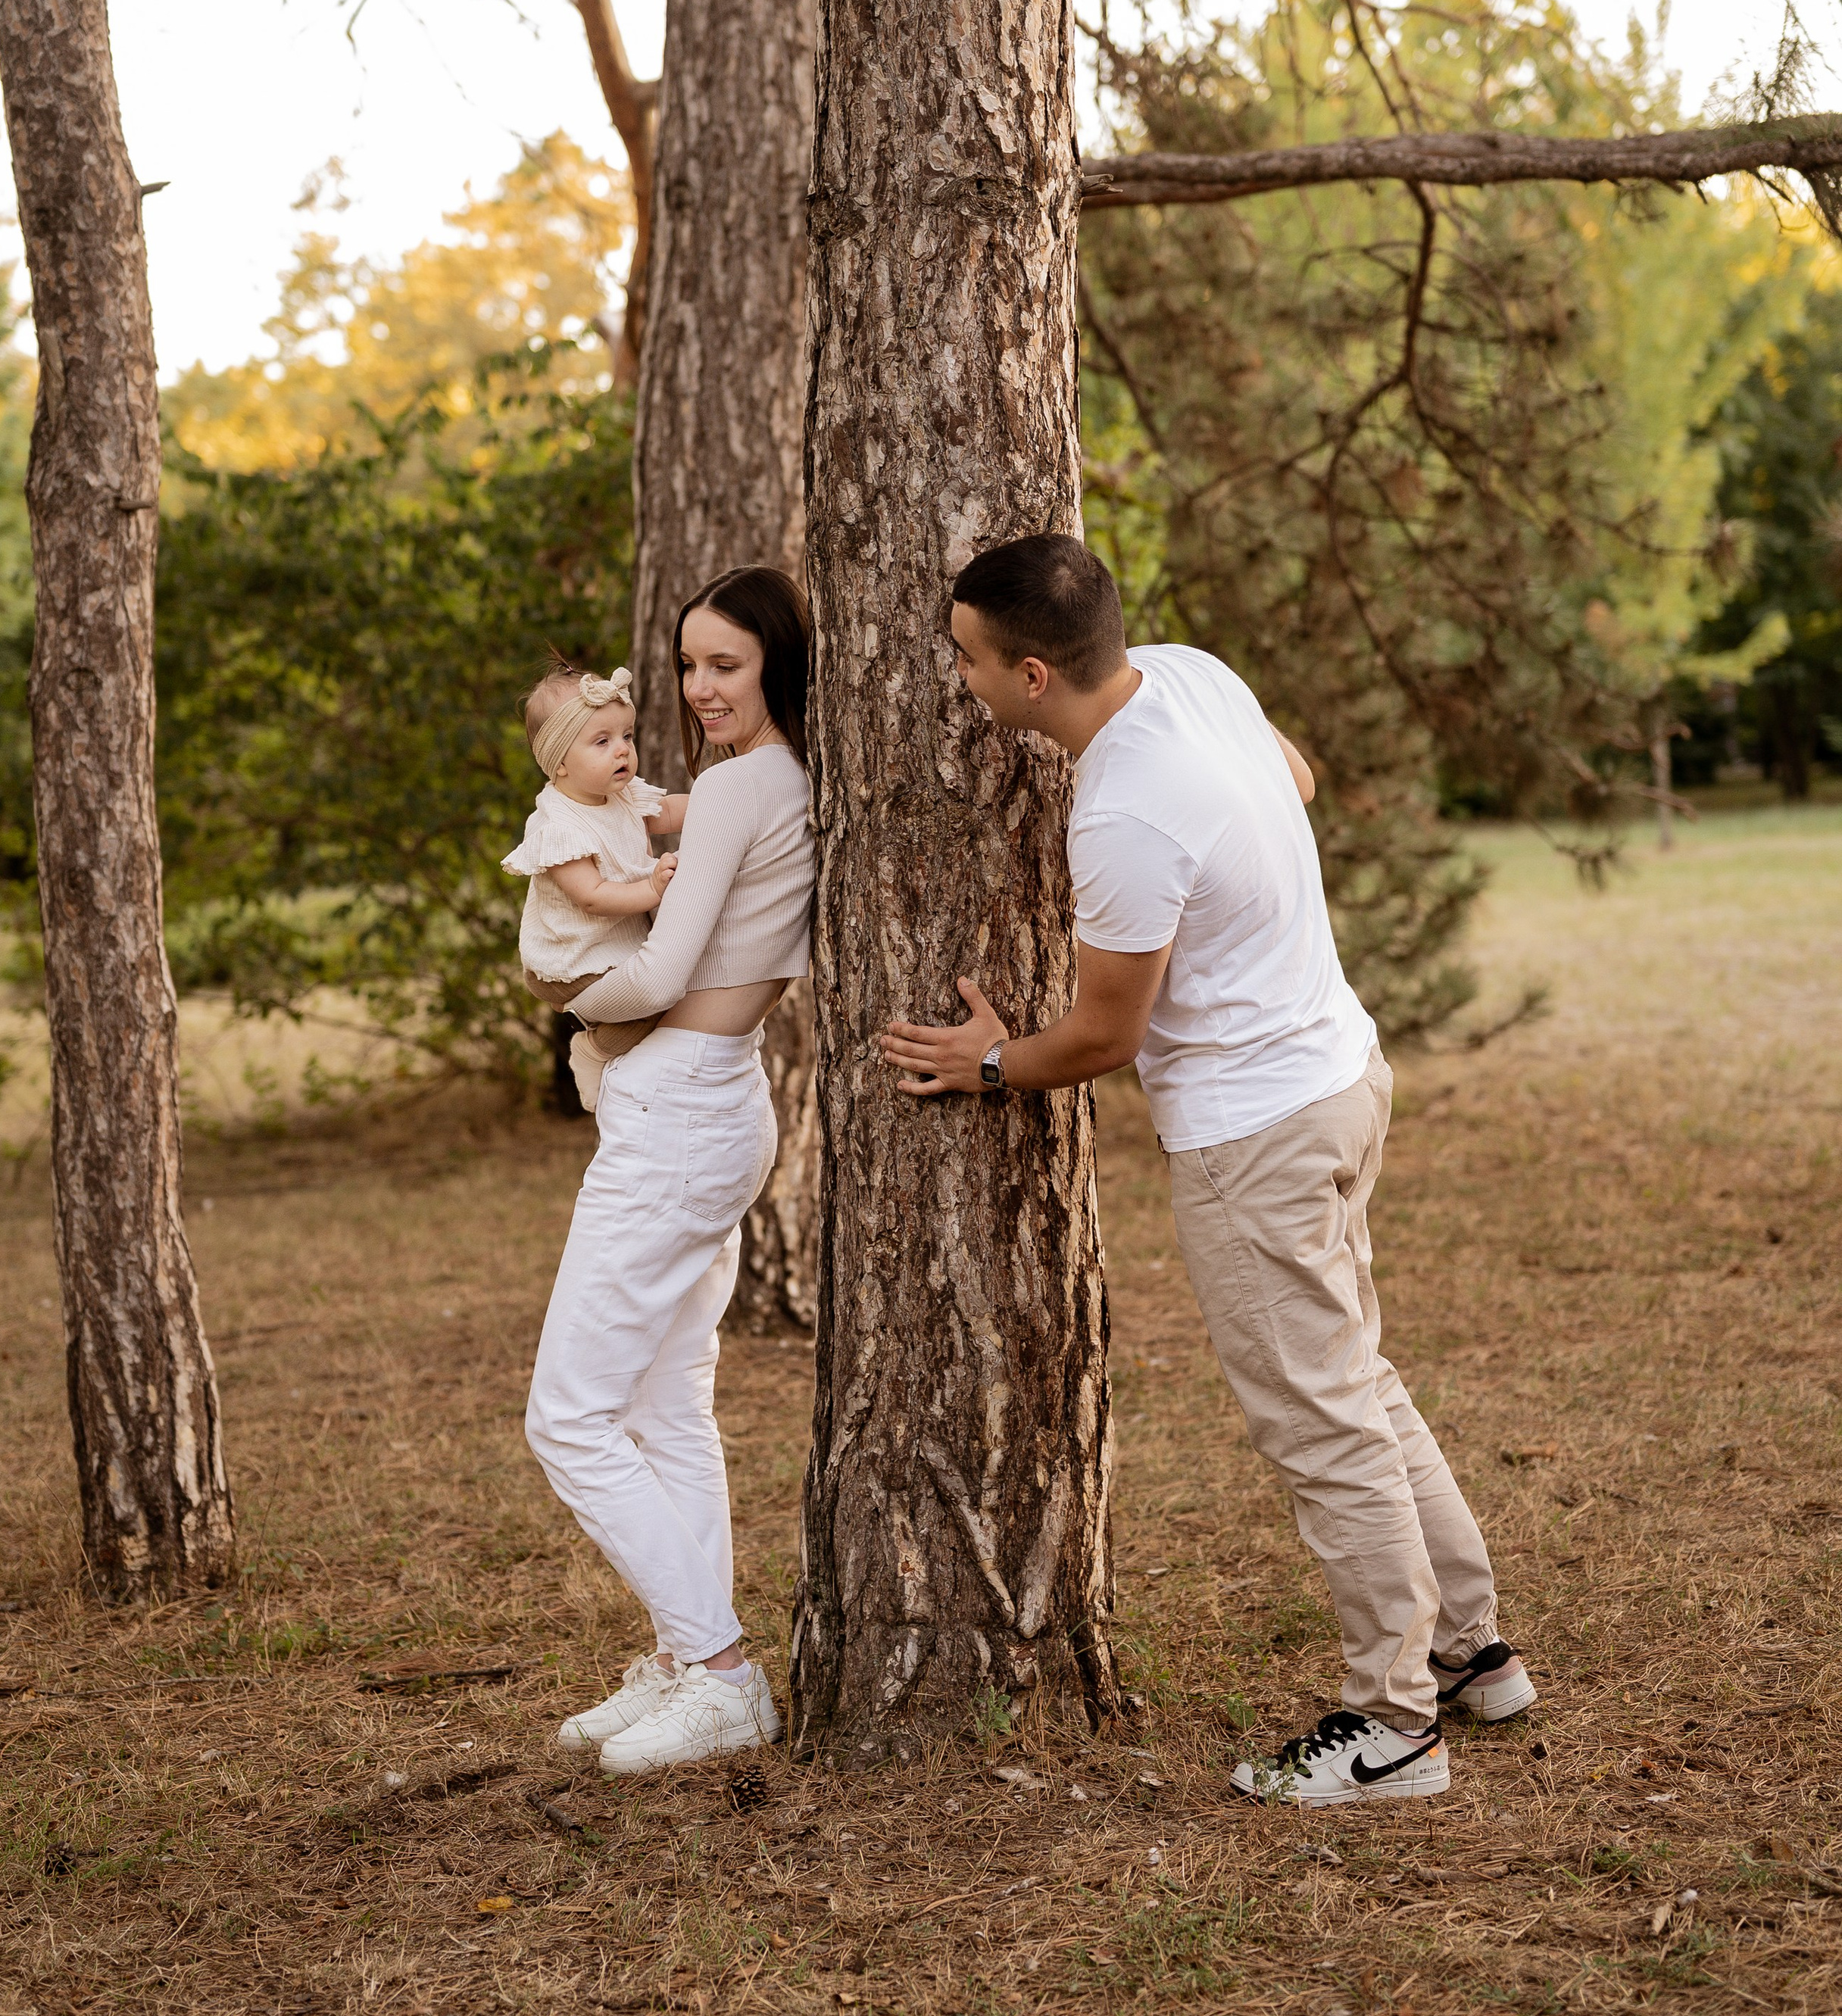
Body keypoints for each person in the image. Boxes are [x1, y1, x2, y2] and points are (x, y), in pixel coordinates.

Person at [882, 532, 1534, 1807]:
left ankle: (1396, 1729)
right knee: (1358, 1383)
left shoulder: (1123, 811)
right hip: (1340, 1077)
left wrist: (991, 1062)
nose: (956, 677)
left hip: (1258, 1138)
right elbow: (1296, 775)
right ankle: (1472, 1655)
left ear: (1030, 676)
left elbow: (1105, 1035)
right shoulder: (1190, 672)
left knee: (1322, 1424)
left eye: (965, 659)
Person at [523, 568, 815, 1777]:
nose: (699, 688)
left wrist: (558, 992)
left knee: (568, 1416)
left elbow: (657, 970)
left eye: (725, 665)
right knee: (664, 1405)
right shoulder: (784, 778)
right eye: (688, 665)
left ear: (777, 664)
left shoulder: (745, 784)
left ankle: (722, 1671)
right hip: (718, 1096)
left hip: (682, 1108)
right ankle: (684, 1655)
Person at [501, 660, 682, 1109]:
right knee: (658, 999)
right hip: (572, 961)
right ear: (560, 762)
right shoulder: (559, 825)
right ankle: (594, 1049)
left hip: (608, 947)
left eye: (627, 736)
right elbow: (593, 897)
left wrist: (722, 797)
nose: (622, 751)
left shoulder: (619, 795)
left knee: (674, 988)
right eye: (603, 741)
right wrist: (653, 890)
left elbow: (668, 811)